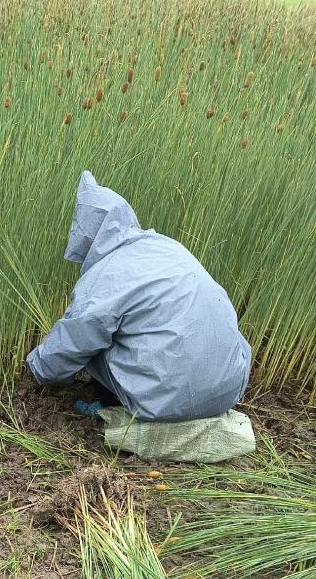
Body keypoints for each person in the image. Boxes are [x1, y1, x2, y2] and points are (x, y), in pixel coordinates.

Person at [26, 171, 251, 422]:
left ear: (86, 237)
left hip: (165, 401)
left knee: (95, 342)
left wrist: (39, 370)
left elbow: (76, 337)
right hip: (228, 390)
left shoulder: (107, 272)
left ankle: (112, 404)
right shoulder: (166, 246)